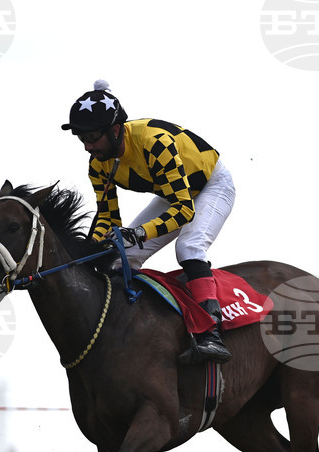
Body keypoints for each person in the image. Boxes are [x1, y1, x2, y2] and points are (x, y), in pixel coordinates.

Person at [61, 80, 236, 364]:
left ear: (115, 130)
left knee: (189, 247)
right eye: (82, 139)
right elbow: (108, 218)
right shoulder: (97, 165)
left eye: (93, 137)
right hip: (173, 193)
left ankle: (211, 334)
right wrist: (93, 246)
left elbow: (184, 212)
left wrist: (140, 232)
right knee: (121, 256)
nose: (88, 147)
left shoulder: (156, 144)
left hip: (210, 186)